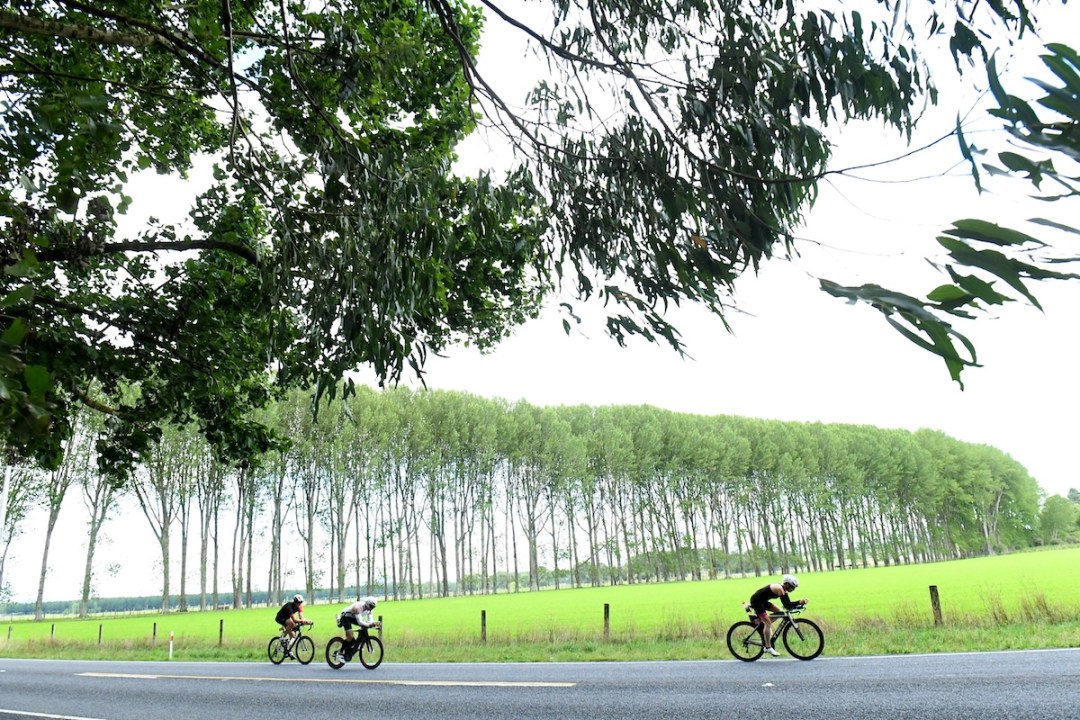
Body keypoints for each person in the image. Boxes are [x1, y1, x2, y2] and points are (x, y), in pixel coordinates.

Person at [744, 574, 807, 657]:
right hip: (757, 601)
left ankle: (761, 621)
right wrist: (799, 602)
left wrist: (798, 605)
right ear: (787, 584)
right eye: (792, 587)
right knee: (768, 623)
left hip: (762, 601)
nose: (793, 589)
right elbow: (787, 605)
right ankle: (767, 647)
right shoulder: (779, 589)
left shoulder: (783, 589)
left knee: (780, 612)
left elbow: (788, 605)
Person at [335, 596, 381, 661]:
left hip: (354, 617)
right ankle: (340, 652)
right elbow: (360, 622)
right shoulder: (358, 608)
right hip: (346, 617)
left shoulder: (370, 609)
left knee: (364, 627)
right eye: (371, 606)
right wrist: (369, 624)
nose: (372, 608)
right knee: (350, 636)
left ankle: (356, 644)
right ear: (367, 604)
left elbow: (370, 621)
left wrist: (373, 624)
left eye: (373, 607)